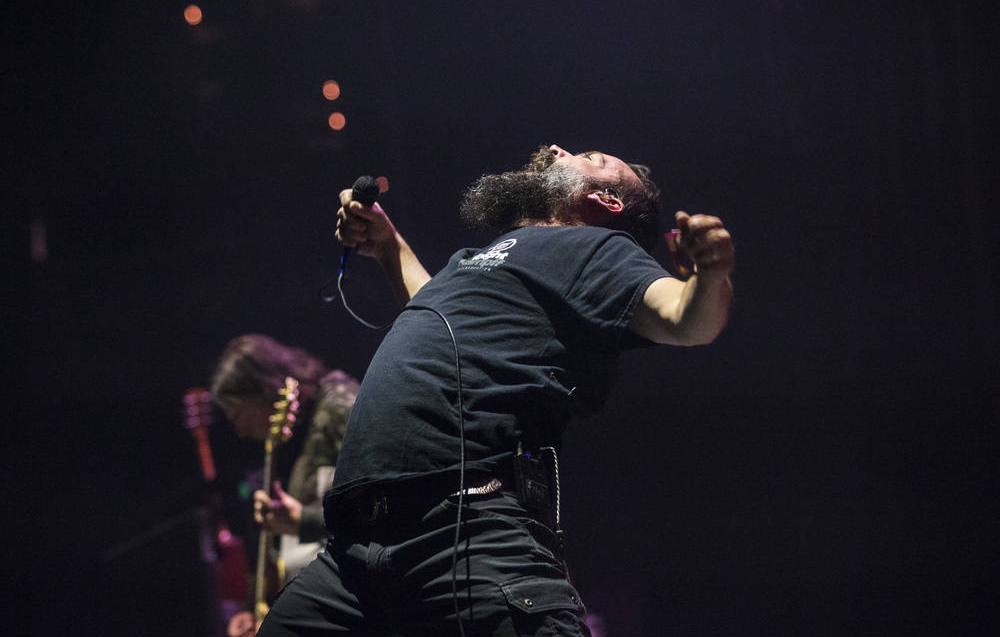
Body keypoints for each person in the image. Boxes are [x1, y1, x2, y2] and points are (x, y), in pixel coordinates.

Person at [256, 144, 735, 636]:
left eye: (587, 155)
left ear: (606, 200)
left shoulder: (597, 249)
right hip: (350, 554)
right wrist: (388, 244)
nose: (555, 148)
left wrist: (711, 274)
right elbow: (436, 309)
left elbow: (685, 319)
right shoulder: (478, 258)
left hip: (465, 536)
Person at [210, 334, 359, 637]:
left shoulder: (340, 406)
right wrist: (251, 609)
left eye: (239, 414)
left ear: (264, 388)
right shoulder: (281, 444)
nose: (238, 429)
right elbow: (279, 551)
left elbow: (380, 509)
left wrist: (304, 521)